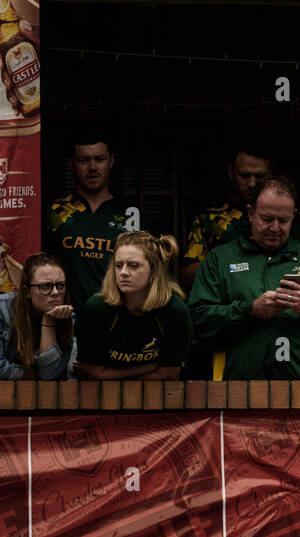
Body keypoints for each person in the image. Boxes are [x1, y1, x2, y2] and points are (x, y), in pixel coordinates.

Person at [188, 174, 300, 379]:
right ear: (250, 213)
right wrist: (250, 311)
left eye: (283, 220)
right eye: (266, 219)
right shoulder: (220, 259)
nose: (275, 228)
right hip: (237, 388)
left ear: (294, 215)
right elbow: (197, 321)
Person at [74, 232, 191, 381]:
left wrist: (113, 377)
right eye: (118, 265)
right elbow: (94, 372)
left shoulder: (174, 310)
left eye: (133, 266)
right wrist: (151, 366)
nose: (123, 272)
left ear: (154, 270)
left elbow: (169, 372)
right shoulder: (97, 308)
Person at [45, 133, 130, 314]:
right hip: (66, 321)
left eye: (100, 159)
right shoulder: (54, 212)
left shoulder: (131, 217)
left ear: (111, 161)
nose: (92, 167)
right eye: (84, 160)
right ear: (71, 163)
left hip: (117, 321)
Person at [179, 140, 272, 294]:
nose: (252, 183)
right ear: (231, 172)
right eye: (245, 175)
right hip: (223, 309)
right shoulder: (209, 220)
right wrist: (232, 262)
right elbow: (186, 278)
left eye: (259, 176)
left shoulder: (281, 217)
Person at [0, 253, 75, 379]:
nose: (56, 293)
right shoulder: (3, 309)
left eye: (60, 285)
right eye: (45, 286)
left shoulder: (67, 317)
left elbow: (48, 374)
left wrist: (49, 321)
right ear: (27, 291)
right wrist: (27, 375)